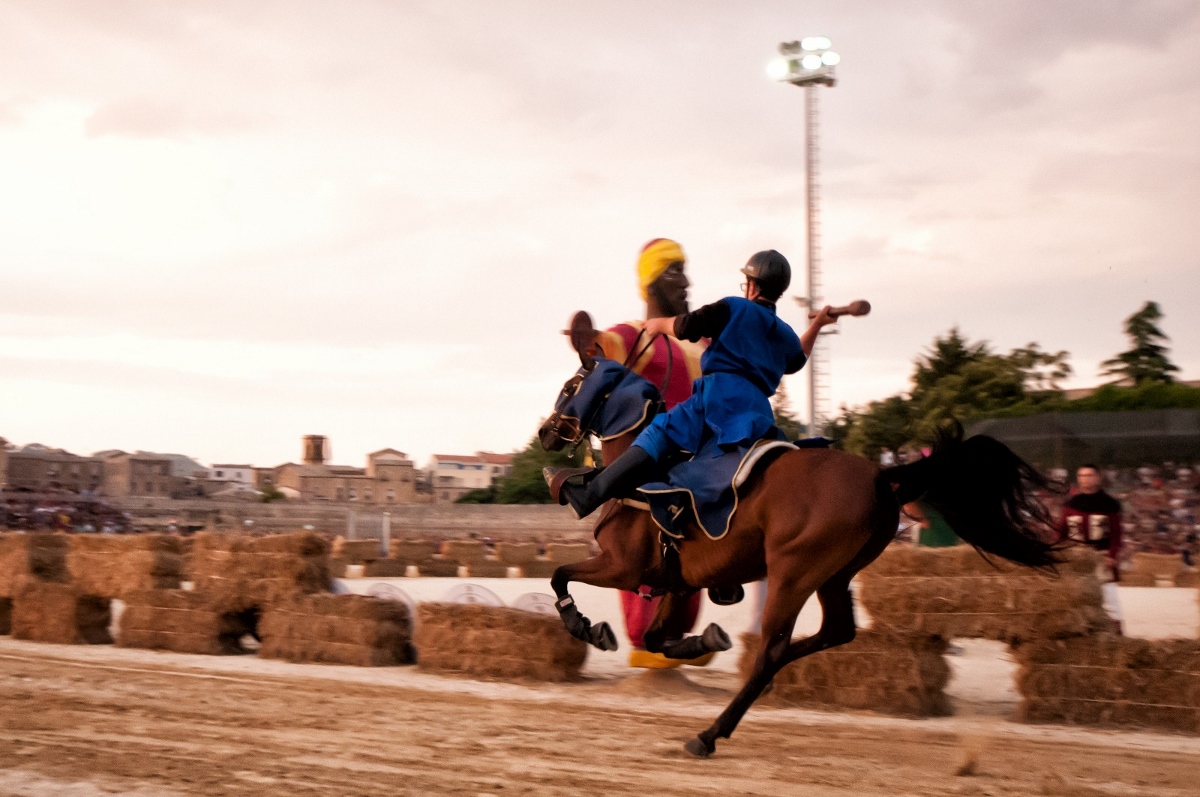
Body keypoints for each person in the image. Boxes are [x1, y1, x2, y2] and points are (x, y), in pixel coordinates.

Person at [547, 249, 837, 520]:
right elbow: (797, 360)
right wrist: (818, 325)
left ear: (752, 286)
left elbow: (688, 325)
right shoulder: (784, 333)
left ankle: (589, 495)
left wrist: (658, 325)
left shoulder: (734, 308)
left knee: (659, 432)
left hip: (718, 398)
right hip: (756, 413)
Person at [595, 238, 707, 668]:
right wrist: (589, 340)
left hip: (693, 464)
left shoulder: (694, 343)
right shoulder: (630, 335)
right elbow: (604, 349)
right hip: (649, 465)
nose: (687, 282)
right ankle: (646, 639)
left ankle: (678, 635)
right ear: (652, 282)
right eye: (676, 272)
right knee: (647, 550)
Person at [1057, 463, 1124, 634]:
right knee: (1076, 597)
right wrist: (1059, 552)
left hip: (1102, 556)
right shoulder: (1071, 504)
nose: (1084, 479)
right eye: (1081, 476)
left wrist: (1112, 555)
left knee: (1109, 597)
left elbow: (1116, 534)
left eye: (1088, 475)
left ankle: (1116, 633)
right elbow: (1061, 531)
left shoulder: (1109, 504)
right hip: (1077, 558)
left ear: (1097, 478)